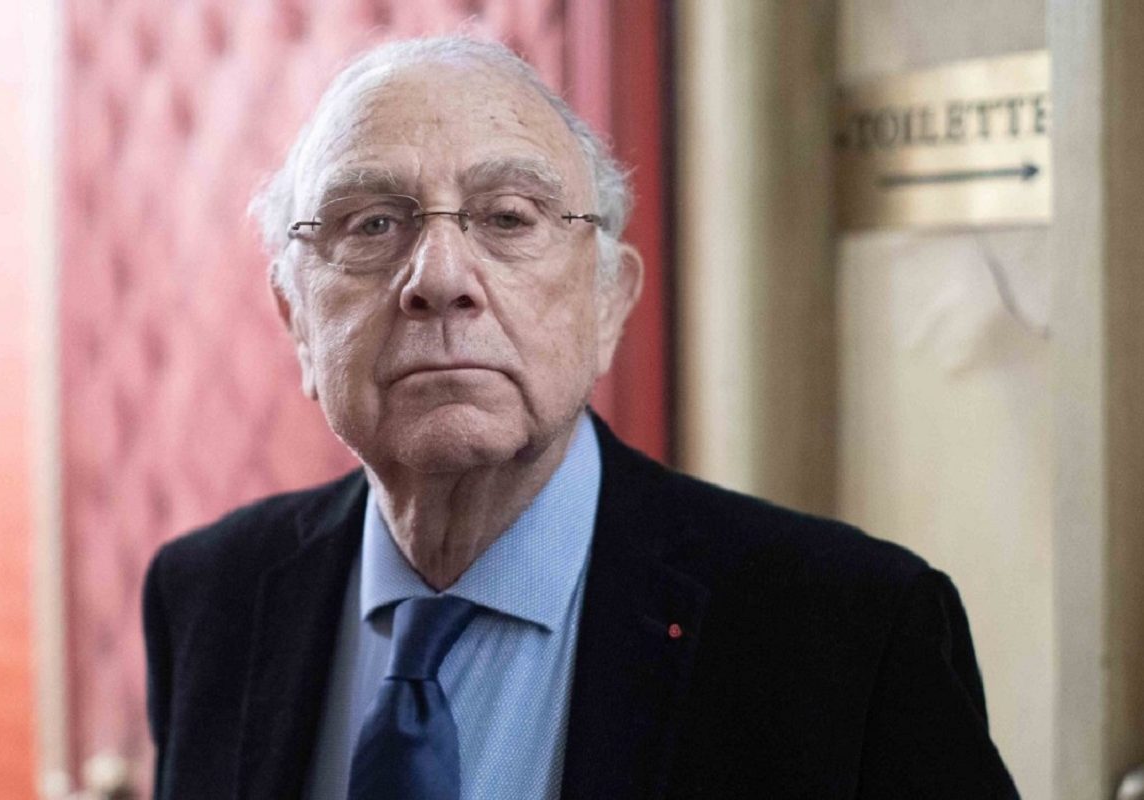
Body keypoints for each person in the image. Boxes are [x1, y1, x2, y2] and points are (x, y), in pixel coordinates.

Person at [142, 36, 1019, 799]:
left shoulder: (850, 637)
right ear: (296, 319)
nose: (439, 276)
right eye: (372, 224)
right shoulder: (209, 598)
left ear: (609, 304)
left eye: (507, 217)